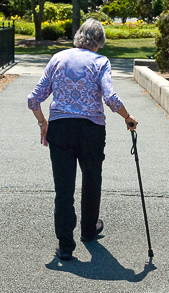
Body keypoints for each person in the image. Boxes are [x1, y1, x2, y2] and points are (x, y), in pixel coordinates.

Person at [28, 18, 138, 261]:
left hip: (60, 128)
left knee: (63, 188)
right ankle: (88, 230)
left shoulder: (58, 58)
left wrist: (42, 123)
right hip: (91, 130)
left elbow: (34, 99)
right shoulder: (100, 61)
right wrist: (127, 116)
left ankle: (65, 246)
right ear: (99, 42)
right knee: (92, 179)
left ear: (78, 37)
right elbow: (110, 97)